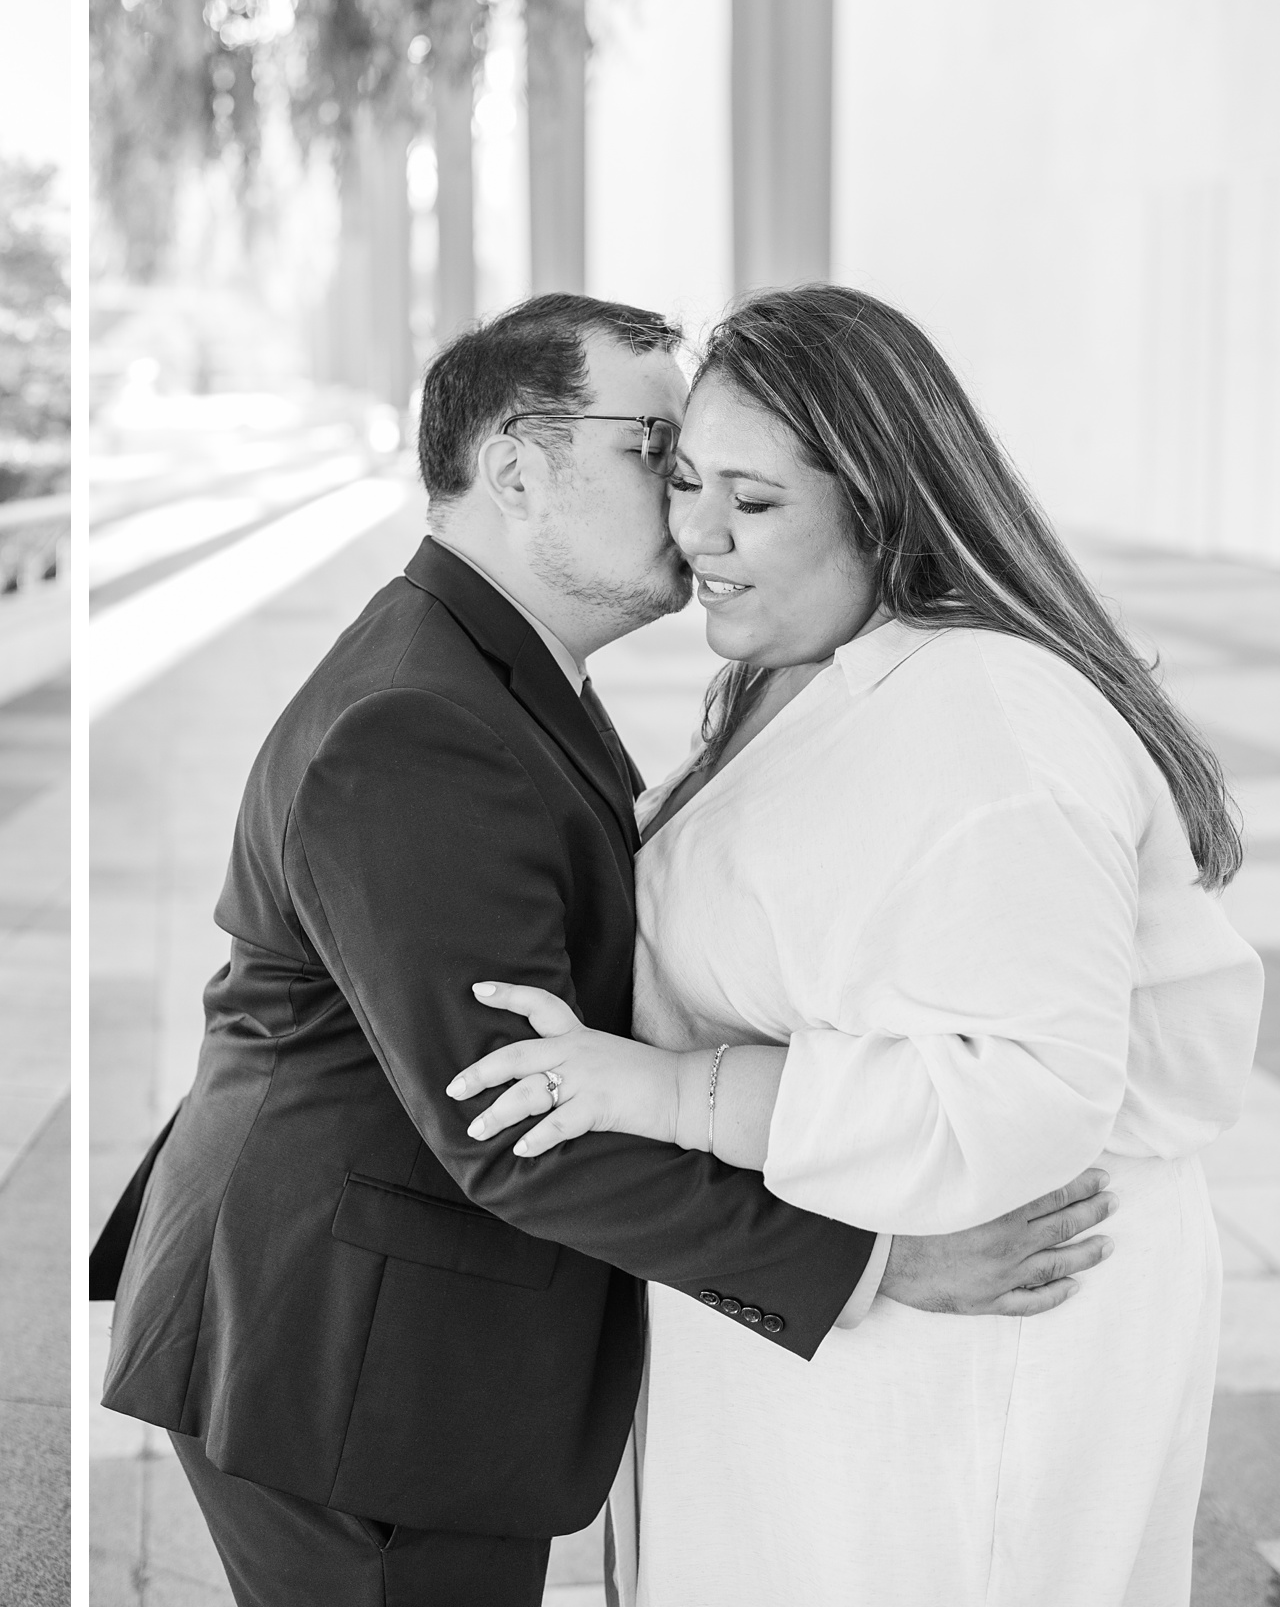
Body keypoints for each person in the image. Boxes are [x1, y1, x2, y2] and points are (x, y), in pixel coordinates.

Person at [93, 294, 1118, 1607]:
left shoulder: (493, 666)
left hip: (371, 1321)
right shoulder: (416, 724)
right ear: (518, 465)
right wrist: (875, 1263)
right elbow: (511, 1122)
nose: (690, 513)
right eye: (656, 453)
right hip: (347, 1374)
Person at [447, 284, 1264, 1605]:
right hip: (842, 1359)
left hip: (974, 1363)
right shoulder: (811, 666)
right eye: (688, 480)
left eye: (754, 503)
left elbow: (1030, 1093)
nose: (695, 533)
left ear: (882, 507)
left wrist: (668, 1095)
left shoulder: (992, 720)